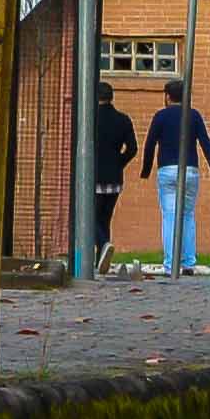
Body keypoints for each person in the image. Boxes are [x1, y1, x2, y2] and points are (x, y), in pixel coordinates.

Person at [141, 76, 210, 277]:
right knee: (187, 215)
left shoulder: (160, 117)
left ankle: (170, 265)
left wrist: (146, 168)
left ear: (167, 97)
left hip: (167, 170)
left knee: (169, 216)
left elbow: (150, 144)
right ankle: (188, 262)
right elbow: (206, 143)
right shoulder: (193, 115)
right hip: (190, 170)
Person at [86, 83, 140, 278]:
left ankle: (103, 245)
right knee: (105, 218)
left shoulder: (90, 118)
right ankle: (101, 258)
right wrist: (119, 162)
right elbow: (133, 148)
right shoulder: (123, 120)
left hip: (93, 176)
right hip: (115, 178)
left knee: (89, 217)